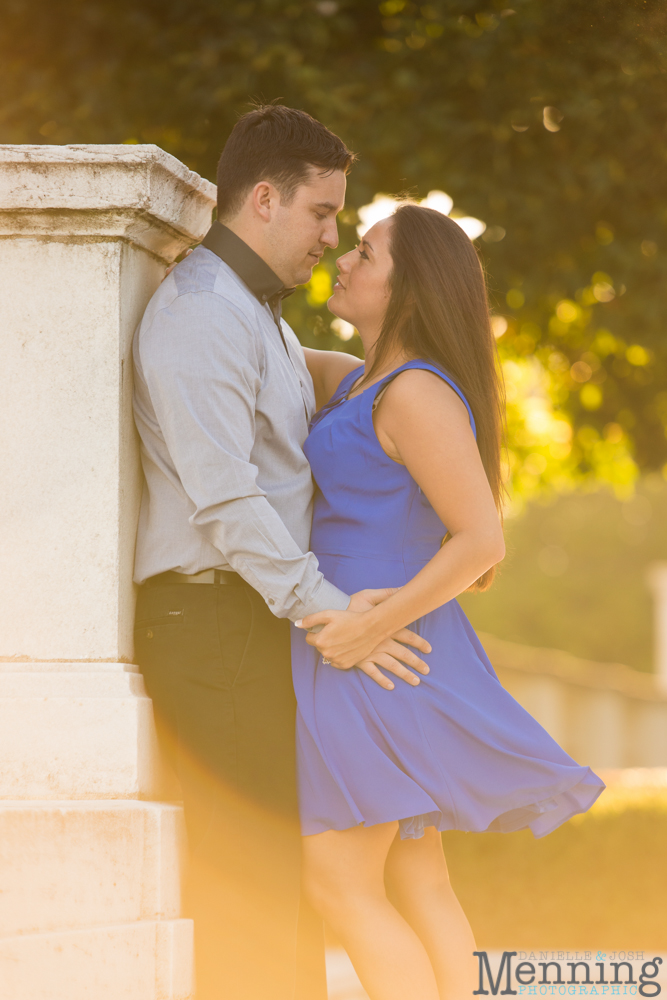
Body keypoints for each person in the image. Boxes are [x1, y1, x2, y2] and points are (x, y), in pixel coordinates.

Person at [131, 105, 430, 1000]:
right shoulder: (197, 316)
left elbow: (320, 388)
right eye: (322, 213)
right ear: (264, 198)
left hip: (252, 620)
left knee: (281, 883)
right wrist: (332, 611)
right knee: (248, 879)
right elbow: (225, 498)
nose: (332, 239)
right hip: (212, 620)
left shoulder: (249, 314)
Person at [291, 203, 606, 1000]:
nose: (344, 258)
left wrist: (367, 629)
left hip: (377, 656)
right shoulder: (360, 379)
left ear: (409, 288)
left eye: (364, 252)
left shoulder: (414, 393)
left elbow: (480, 542)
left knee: (339, 884)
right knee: (418, 882)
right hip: (374, 648)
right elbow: (270, 355)